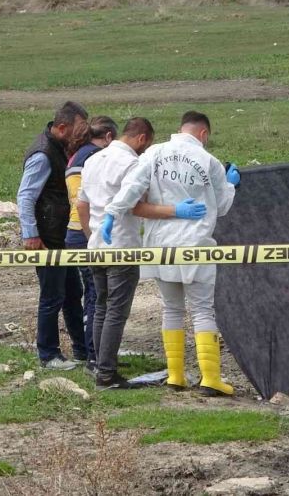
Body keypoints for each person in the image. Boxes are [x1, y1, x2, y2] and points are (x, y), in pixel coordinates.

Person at [102, 111, 241, 396]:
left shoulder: (154, 153)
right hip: (195, 245)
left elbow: (132, 187)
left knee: (171, 308)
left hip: (160, 244)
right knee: (202, 310)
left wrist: (112, 213)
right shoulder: (210, 162)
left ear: (181, 128)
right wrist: (230, 185)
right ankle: (210, 378)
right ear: (203, 134)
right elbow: (222, 206)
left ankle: (176, 375)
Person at [77, 117, 209, 390]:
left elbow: (81, 205)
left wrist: (92, 236)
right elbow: (137, 207)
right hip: (123, 247)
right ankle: (107, 374)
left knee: (101, 306)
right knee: (116, 311)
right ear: (141, 139)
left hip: (96, 245)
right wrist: (176, 210)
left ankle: (99, 363)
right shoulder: (131, 163)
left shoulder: (92, 160)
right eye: (145, 145)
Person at [17, 101, 89, 370]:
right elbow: (26, 196)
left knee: (73, 292)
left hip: (61, 237)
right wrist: (31, 235)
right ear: (62, 127)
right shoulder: (43, 154)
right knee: (52, 296)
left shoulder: (59, 148)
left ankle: (82, 350)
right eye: (79, 128)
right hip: (47, 239)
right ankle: (48, 355)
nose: (82, 134)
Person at [65, 116, 119, 370]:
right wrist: (92, 235)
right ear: (108, 137)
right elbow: (86, 202)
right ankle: (95, 356)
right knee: (97, 297)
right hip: (86, 230)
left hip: (74, 229)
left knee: (93, 295)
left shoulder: (77, 155)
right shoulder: (96, 157)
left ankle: (92, 353)